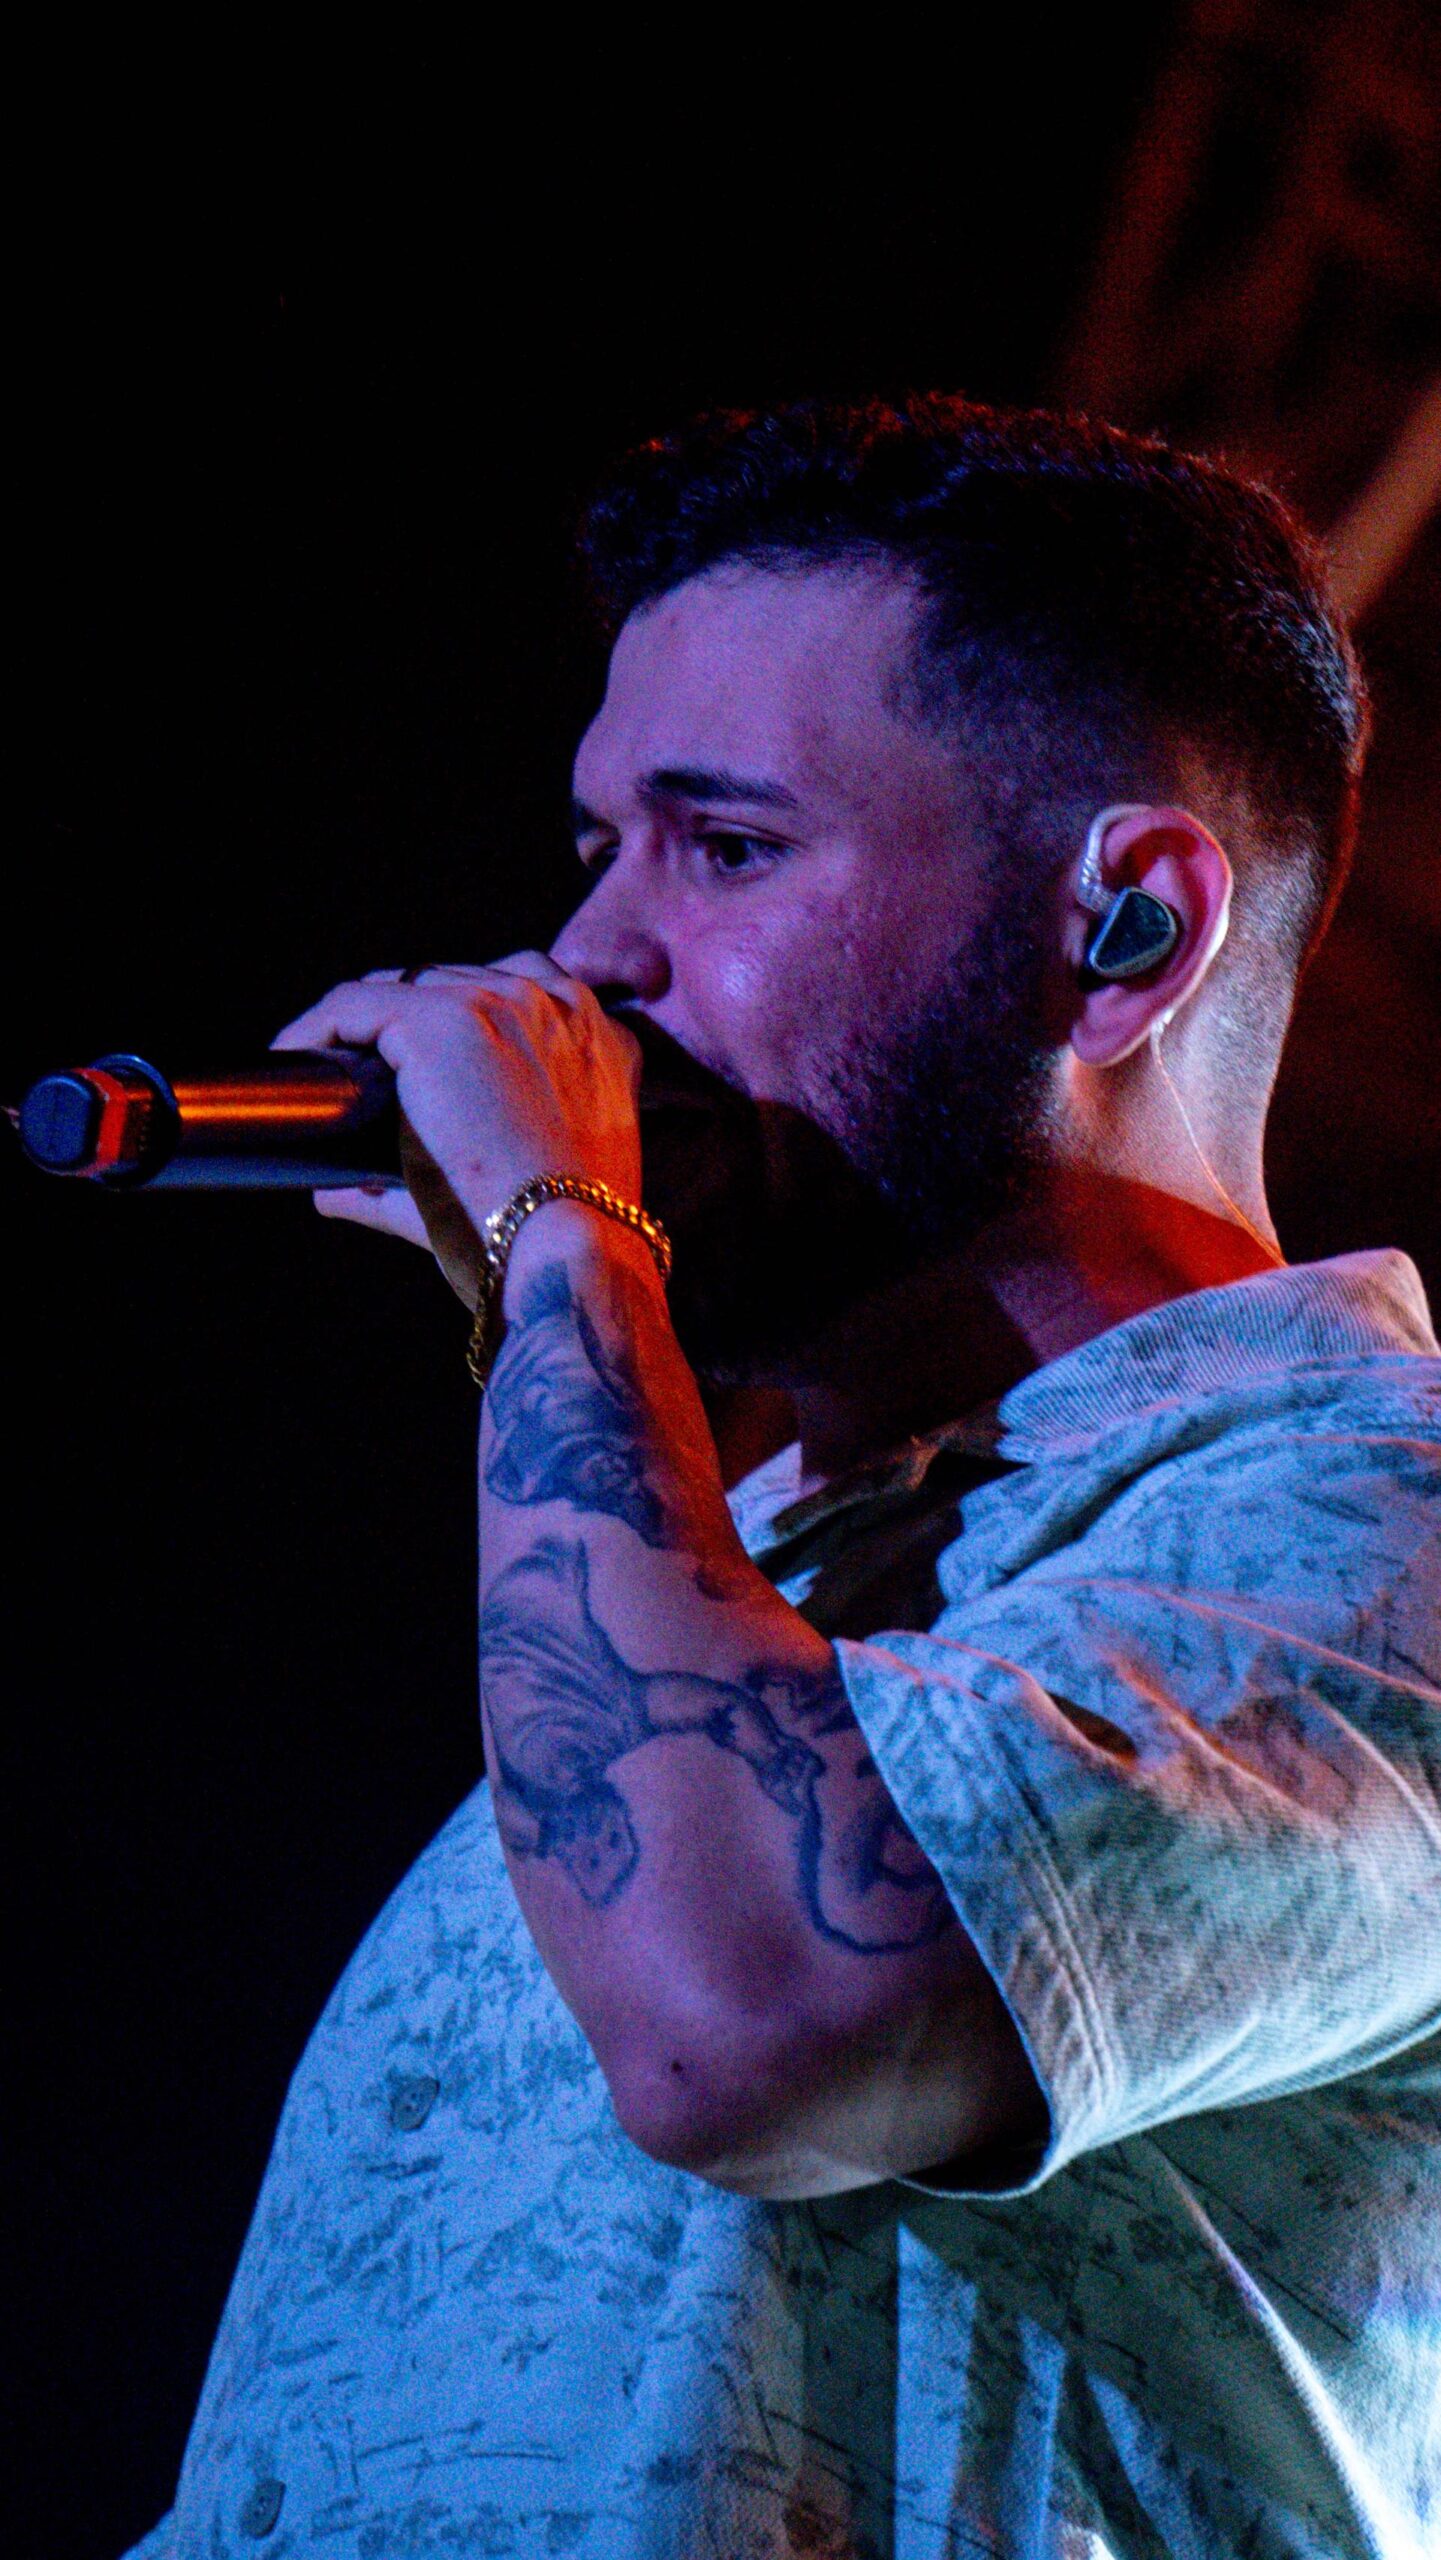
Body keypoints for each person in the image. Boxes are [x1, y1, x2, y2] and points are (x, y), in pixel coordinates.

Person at [124, 397, 1438, 2560]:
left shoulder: (1379, 1499)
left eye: (722, 848)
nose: (591, 957)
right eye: (595, 849)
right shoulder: (748, 1586)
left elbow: (756, 2027)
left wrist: (564, 1237)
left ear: (1125, 927)